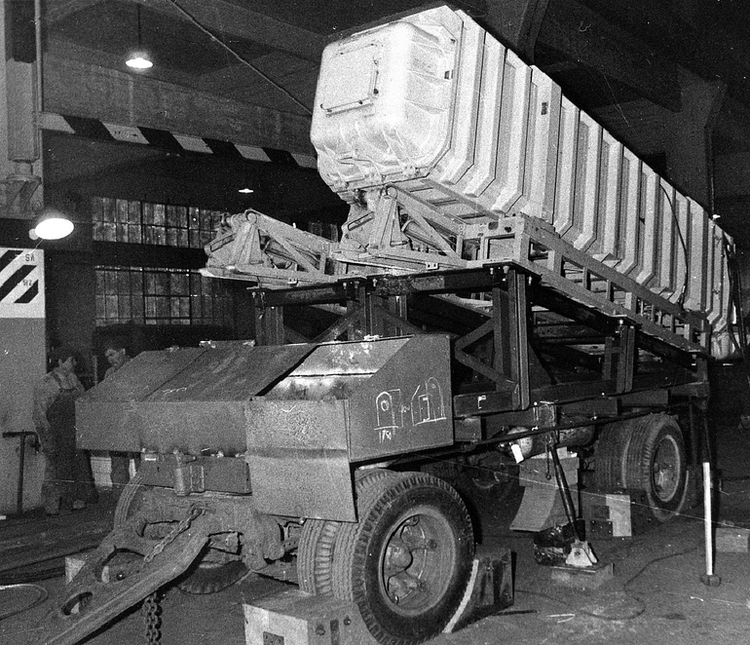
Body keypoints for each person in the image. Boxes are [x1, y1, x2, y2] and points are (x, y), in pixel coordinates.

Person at [33, 346, 97, 515]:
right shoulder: (46, 383)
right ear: (60, 362)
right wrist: (47, 439)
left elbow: (84, 401)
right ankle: (51, 507)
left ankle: (77, 502)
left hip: (74, 433)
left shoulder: (74, 379)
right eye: (70, 360)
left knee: (79, 467)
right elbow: (39, 414)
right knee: (54, 470)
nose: (74, 363)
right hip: (56, 435)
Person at [102, 339, 137, 491]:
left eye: (112, 354)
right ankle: (120, 500)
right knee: (118, 465)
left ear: (122, 351)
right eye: (107, 357)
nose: (110, 359)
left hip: (136, 422)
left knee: (142, 463)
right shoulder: (109, 373)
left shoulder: (138, 366)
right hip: (117, 425)